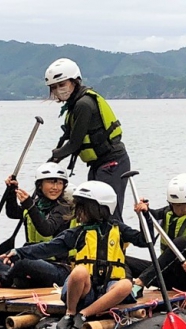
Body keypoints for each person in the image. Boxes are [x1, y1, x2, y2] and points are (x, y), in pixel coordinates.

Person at [0, 180, 151, 329]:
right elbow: (48, 248)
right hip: (84, 290)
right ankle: (70, 313)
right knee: (79, 271)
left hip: (106, 289)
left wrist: (145, 217)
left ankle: (84, 314)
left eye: (82, 208)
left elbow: (145, 240)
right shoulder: (77, 233)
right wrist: (19, 252)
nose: (78, 212)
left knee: (125, 284)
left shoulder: (119, 229)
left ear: (99, 209)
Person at [44, 57, 131, 222]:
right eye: (54, 87)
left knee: (108, 212)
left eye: (62, 84)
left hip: (113, 163)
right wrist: (54, 158)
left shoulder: (83, 104)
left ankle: (118, 244)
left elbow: (75, 143)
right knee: (92, 211)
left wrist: (55, 158)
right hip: (98, 164)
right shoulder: (73, 105)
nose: (58, 90)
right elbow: (67, 138)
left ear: (75, 81)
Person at [0, 162, 74, 289]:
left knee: (24, 263)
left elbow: (46, 229)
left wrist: (29, 205)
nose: (55, 187)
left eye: (59, 183)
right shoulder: (36, 204)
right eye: (51, 182)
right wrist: (11, 191)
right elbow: (13, 213)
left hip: (58, 268)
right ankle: (19, 280)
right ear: (40, 185)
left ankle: (5, 279)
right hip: (34, 261)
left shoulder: (64, 208)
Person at [128, 173, 186, 293]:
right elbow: (149, 226)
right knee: (124, 260)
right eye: (180, 206)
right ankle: (127, 290)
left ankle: (139, 283)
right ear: (171, 205)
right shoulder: (166, 213)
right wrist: (144, 211)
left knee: (180, 242)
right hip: (170, 276)